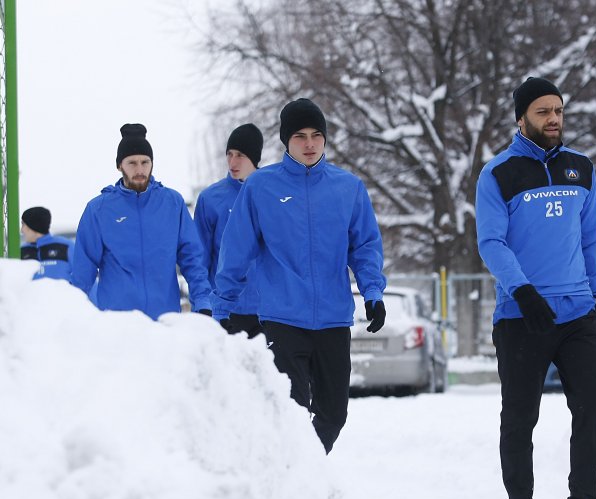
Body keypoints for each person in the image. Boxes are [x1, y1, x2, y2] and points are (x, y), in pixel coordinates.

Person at [476, 77, 596, 499]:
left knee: (593, 408)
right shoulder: (499, 173)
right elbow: (490, 242)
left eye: (558, 110)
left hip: (578, 314)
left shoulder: (581, 169)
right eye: (543, 112)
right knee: (519, 417)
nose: (553, 119)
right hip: (522, 316)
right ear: (521, 119)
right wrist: (523, 290)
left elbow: (591, 238)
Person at [213, 98, 387, 453]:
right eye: (300, 136)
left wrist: (373, 293)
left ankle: (300, 474)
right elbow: (236, 249)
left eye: (316, 135)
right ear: (285, 141)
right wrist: (222, 308)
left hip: (333, 319)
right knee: (292, 411)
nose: (309, 144)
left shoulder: (348, 188)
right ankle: (296, 480)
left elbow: (365, 246)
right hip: (282, 317)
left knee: (334, 415)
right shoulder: (261, 187)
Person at [70, 123, 212, 320]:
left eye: (145, 162)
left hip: (165, 320)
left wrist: (203, 301)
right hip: (119, 324)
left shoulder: (172, 203)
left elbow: (193, 259)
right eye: (132, 163)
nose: (140, 169)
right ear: (119, 165)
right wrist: (74, 313)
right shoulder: (99, 210)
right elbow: (83, 270)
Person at [195, 123, 264, 338]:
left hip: (270, 311)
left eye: (240, 155)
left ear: (254, 158)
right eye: (229, 154)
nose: (232, 162)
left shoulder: (272, 195)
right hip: (226, 312)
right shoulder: (210, 199)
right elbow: (200, 259)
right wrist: (204, 306)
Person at [20, 206, 74, 281]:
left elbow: (84, 277)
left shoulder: (66, 247)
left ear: (33, 226)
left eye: (23, 225)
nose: (22, 230)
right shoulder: (21, 251)